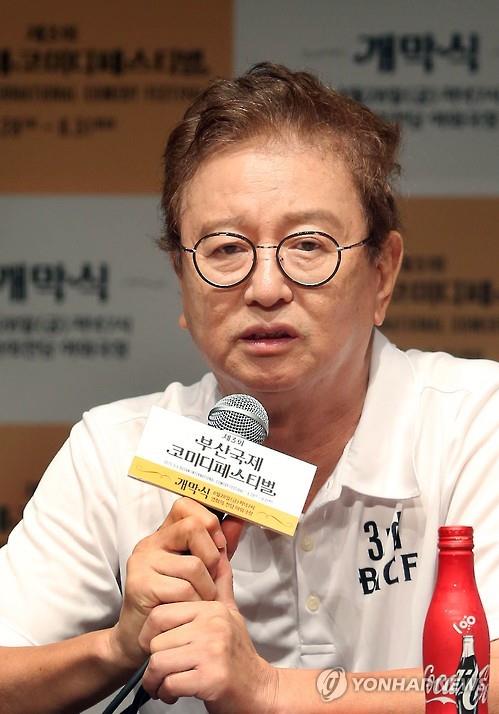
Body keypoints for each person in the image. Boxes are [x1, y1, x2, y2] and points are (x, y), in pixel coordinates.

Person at [0, 62, 497, 713]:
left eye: (308, 245)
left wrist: (269, 690)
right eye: (226, 249)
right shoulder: (115, 449)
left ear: (382, 274)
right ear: (182, 282)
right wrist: (117, 645)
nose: (265, 288)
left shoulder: (474, 422)